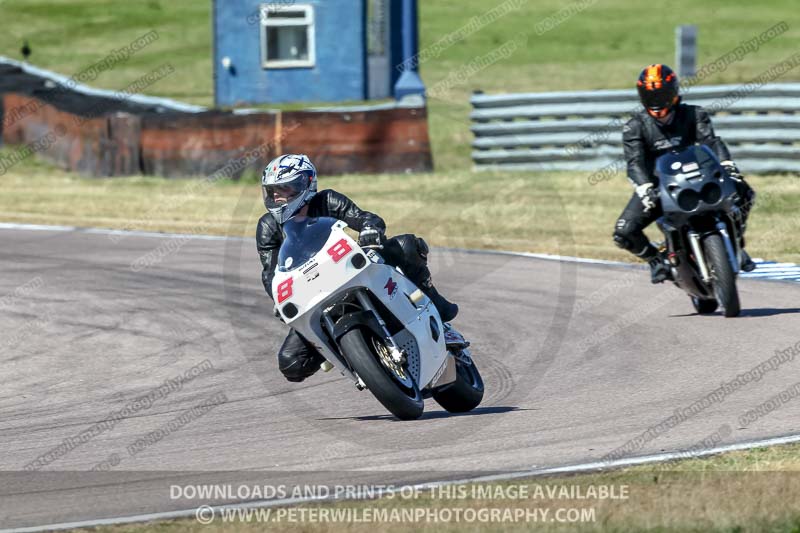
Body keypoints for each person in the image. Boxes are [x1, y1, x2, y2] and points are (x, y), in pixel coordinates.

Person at [256, 154, 459, 382]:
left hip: (348, 269)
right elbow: (270, 274)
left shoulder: (327, 200)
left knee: (406, 245)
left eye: (283, 188)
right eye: (271, 190)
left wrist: (369, 229)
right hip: (312, 291)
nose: (276, 195)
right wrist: (278, 300)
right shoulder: (267, 226)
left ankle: (439, 313)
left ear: (305, 183)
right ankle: (354, 355)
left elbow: (364, 218)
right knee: (291, 363)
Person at [613, 64, 756, 283]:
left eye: (660, 94)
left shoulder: (695, 114)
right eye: (650, 94)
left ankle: (737, 241)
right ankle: (656, 261)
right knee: (623, 232)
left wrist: (728, 166)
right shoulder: (634, 127)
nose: (656, 100)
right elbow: (635, 163)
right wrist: (644, 188)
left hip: (699, 178)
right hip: (659, 188)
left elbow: (712, 142)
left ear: (673, 92)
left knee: (744, 192)